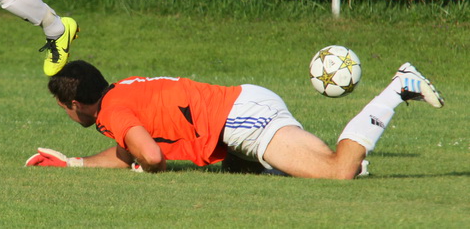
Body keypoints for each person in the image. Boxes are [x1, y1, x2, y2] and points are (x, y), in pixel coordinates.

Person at [26, 60, 444, 179]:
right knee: (239, 169)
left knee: (338, 171)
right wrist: (75, 163)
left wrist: (148, 168)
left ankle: (397, 88)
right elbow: (130, 149)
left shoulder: (112, 112)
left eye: (62, 107)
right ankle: (309, 164)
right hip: (245, 103)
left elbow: (149, 156)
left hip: (241, 120)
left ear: (75, 103)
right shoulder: (121, 92)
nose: (65, 113)